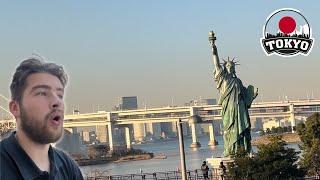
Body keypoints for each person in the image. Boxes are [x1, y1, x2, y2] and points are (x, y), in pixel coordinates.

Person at [0, 58, 84, 179]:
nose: (57, 102)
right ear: (15, 108)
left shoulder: (68, 167)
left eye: (60, 95)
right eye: (42, 93)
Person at [209, 34, 258, 157]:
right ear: (225, 68)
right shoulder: (222, 79)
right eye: (228, 66)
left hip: (240, 107)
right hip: (228, 108)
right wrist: (213, 48)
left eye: (233, 66)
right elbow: (216, 64)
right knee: (229, 129)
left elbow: (245, 98)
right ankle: (231, 150)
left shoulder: (238, 81)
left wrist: (252, 96)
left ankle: (243, 149)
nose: (231, 67)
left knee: (243, 128)